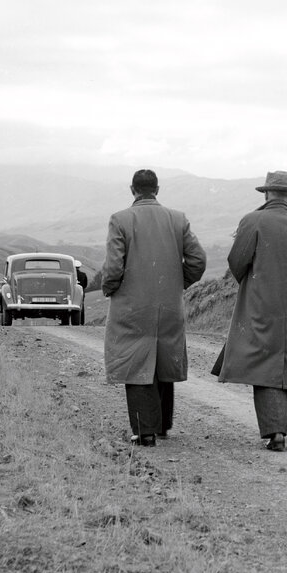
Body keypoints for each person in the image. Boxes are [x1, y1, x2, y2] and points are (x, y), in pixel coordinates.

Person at [216, 170, 287, 451]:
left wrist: (254, 284)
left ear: (266, 193)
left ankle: (276, 430)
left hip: (260, 303)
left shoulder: (252, 221)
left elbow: (237, 262)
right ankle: (280, 424)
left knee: (264, 363)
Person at [100, 169, 207, 446]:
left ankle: (144, 432)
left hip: (131, 306)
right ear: (157, 190)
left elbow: (113, 267)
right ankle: (161, 427)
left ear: (132, 189)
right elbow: (197, 260)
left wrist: (111, 289)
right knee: (162, 359)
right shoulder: (177, 219)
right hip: (170, 304)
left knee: (136, 362)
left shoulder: (120, 220)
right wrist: (177, 284)